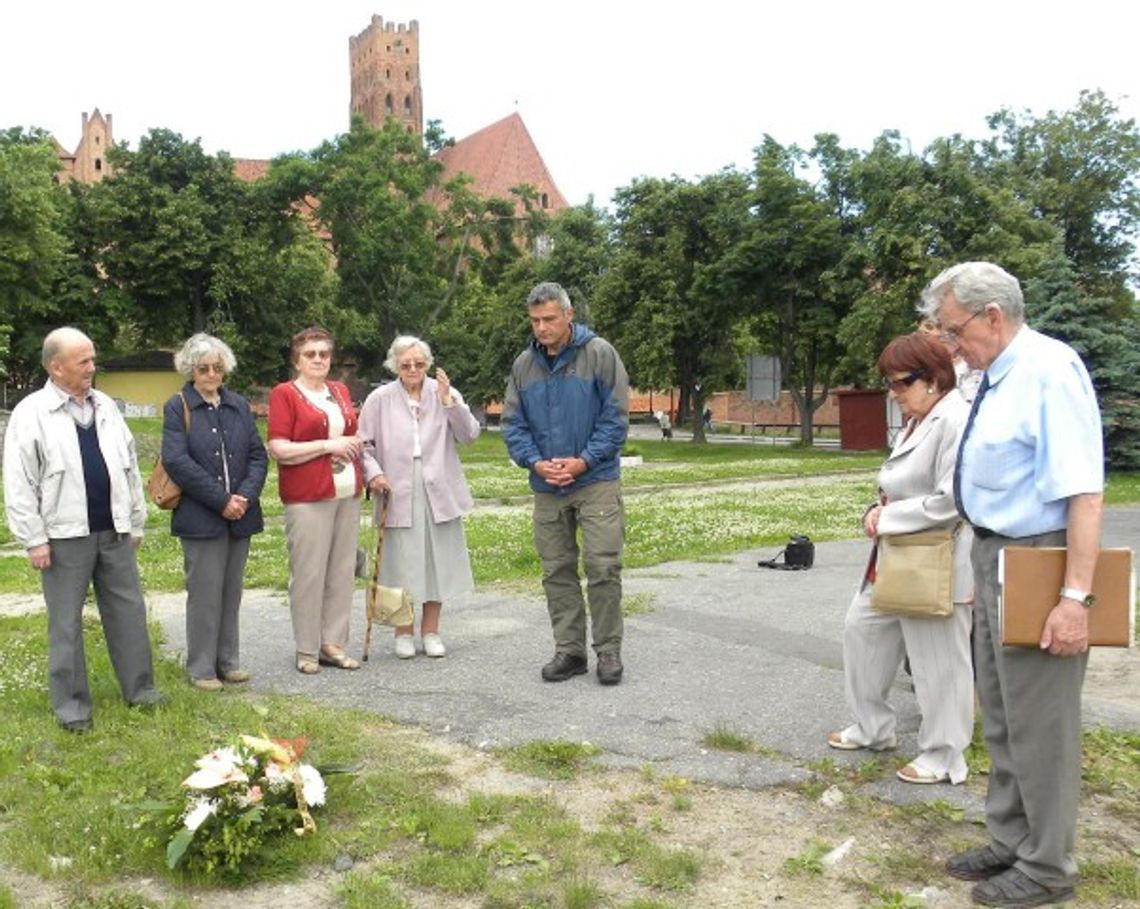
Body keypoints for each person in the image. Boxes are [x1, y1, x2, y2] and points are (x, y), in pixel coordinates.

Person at [922, 262, 1103, 909]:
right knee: (1000, 711)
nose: (949, 345)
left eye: (954, 331)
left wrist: (1075, 598)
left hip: (1036, 558)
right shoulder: (995, 376)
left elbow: (1084, 492)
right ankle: (1012, 837)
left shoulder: (1050, 372)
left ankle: (1049, 864)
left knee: (1041, 720)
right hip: (993, 554)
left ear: (992, 316)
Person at [827, 332, 974, 786]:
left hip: (937, 558)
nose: (894, 393)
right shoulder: (918, 418)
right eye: (889, 383)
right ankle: (872, 727)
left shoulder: (955, 419)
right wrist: (880, 511)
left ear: (933, 378)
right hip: (894, 556)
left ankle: (944, 753)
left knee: (938, 659)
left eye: (901, 383)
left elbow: (955, 499)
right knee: (862, 631)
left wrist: (888, 516)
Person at [2, 327, 165, 732]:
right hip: (62, 536)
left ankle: (141, 691)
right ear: (56, 367)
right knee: (66, 623)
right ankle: (72, 708)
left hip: (113, 530)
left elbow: (128, 467)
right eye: (84, 362)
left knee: (128, 612)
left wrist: (135, 520)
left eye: (93, 359)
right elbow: (19, 482)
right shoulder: (31, 413)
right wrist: (34, 539)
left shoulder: (106, 406)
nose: (93, 367)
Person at [503, 282, 630, 685]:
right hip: (547, 485)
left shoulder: (600, 355)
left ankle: (608, 651)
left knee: (602, 565)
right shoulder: (524, 366)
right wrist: (537, 463)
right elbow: (513, 424)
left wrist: (583, 461)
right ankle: (569, 651)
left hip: (595, 480)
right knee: (556, 569)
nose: (542, 328)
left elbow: (615, 420)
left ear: (569, 316)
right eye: (536, 320)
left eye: (550, 319)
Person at [358, 336, 480, 658]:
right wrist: (374, 474)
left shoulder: (444, 393)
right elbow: (363, 445)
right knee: (400, 562)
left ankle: (431, 631)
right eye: (405, 364)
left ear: (427, 364)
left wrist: (450, 403)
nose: (413, 369)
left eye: (419, 364)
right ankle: (402, 632)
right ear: (395, 366)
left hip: (437, 486)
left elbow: (469, 435)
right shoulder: (379, 398)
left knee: (436, 560)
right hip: (396, 486)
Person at [160, 334, 268, 691]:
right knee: (205, 593)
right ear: (191, 370)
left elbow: (257, 456)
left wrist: (244, 497)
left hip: (241, 514)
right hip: (201, 515)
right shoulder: (178, 406)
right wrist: (221, 500)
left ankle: (228, 661)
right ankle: (202, 668)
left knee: (231, 591)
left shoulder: (237, 404)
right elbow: (176, 460)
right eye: (203, 368)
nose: (210, 374)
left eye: (217, 368)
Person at [267, 327, 364, 675]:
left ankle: (332, 644)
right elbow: (279, 448)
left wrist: (354, 443)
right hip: (308, 496)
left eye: (324, 353)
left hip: (347, 492)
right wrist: (327, 446)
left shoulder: (339, 391)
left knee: (341, 571)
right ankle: (306, 648)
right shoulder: (285, 394)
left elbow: (349, 433)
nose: (319, 360)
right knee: (309, 574)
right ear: (297, 359)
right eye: (311, 354)